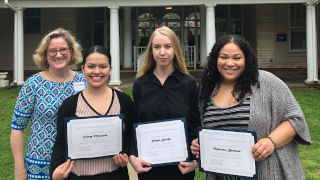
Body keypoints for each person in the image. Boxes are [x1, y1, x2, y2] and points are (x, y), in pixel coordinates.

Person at [191, 35, 312, 180]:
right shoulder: (207, 89)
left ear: (246, 60)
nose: (229, 63)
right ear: (215, 59)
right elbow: (207, 129)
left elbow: (296, 120)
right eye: (223, 57)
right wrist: (199, 144)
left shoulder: (267, 82)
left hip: (267, 174)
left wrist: (271, 142)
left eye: (237, 58)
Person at [49, 45, 136, 180]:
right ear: (83, 69)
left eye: (103, 66)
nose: (97, 71)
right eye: (91, 66)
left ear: (110, 69)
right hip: (78, 176)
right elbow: (60, 142)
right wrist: (54, 172)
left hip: (115, 175)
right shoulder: (70, 105)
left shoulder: (124, 101)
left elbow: (131, 136)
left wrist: (126, 156)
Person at [11, 28, 87, 180]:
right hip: (39, 164)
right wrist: (19, 167)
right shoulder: (33, 85)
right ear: (45, 54)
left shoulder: (83, 81)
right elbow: (17, 129)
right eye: (52, 50)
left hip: (76, 162)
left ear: (71, 52)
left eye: (63, 49)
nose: (58, 54)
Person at [129, 26, 201, 180]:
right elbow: (135, 123)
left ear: (175, 49)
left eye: (168, 46)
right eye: (157, 47)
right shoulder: (140, 84)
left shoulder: (188, 84)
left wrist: (195, 161)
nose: (162, 52)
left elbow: (195, 125)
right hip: (149, 166)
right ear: (151, 51)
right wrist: (132, 156)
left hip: (181, 167)